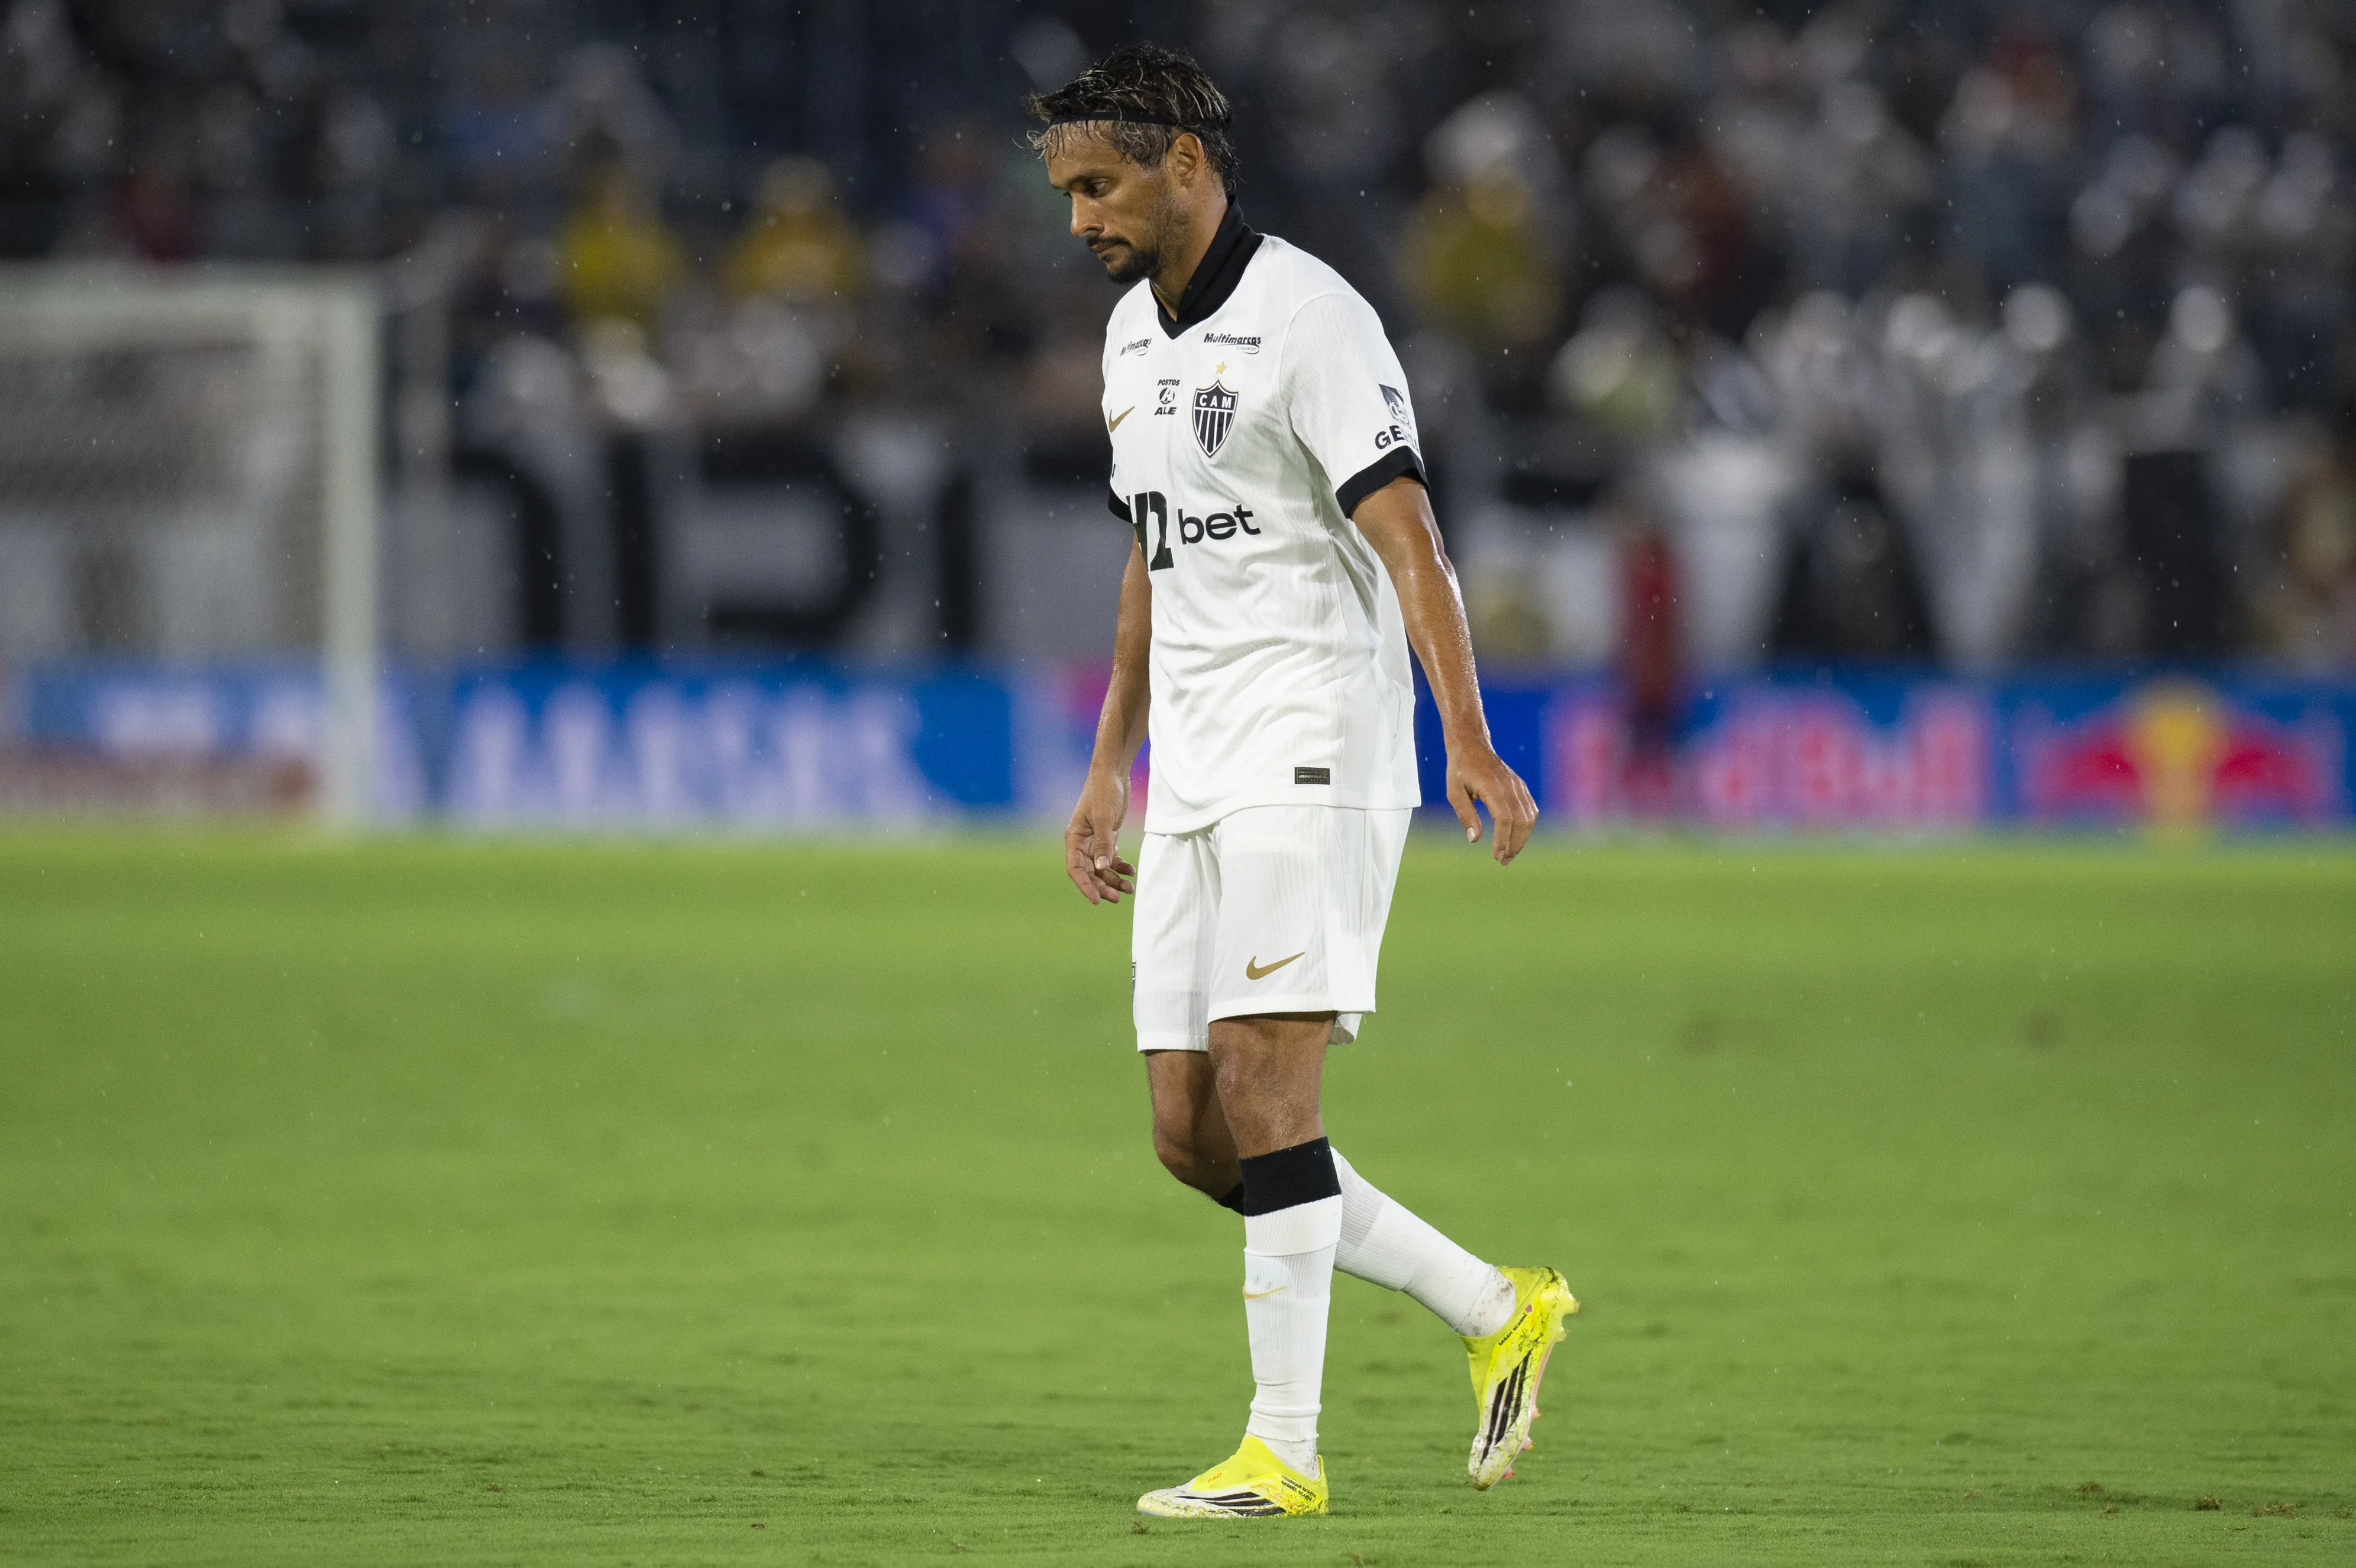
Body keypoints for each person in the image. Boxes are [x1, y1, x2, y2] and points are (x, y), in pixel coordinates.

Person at [1028, 44, 1576, 1521]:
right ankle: (1492, 1303)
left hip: (1313, 739)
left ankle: (1284, 1449)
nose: (1078, 218)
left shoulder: (1312, 319)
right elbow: (1151, 554)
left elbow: (1408, 535)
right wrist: (1107, 765)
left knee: (1269, 1087)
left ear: (1183, 165)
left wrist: (1463, 730)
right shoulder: (1126, 343)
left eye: (1098, 184)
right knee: (1191, 1132)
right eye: (1066, 190)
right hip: (1196, 763)